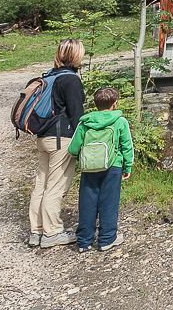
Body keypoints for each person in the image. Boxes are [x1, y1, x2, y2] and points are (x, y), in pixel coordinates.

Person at [28, 39, 85, 249]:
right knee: (56, 186)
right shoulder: (70, 80)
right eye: (81, 52)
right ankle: (52, 233)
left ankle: (37, 231)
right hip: (60, 139)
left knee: (41, 185)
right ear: (74, 55)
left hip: (43, 138)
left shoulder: (50, 76)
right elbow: (77, 115)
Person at [68, 86, 134, 252]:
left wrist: (81, 158)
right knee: (109, 203)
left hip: (89, 168)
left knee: (87, 202)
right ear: (114, 103)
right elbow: (127, 146)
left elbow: (73, 148)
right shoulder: (120, 122)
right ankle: (106, 240)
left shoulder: (85, 122)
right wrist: (128, 165)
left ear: (96, 104)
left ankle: (84, 242)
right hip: (113, 167)